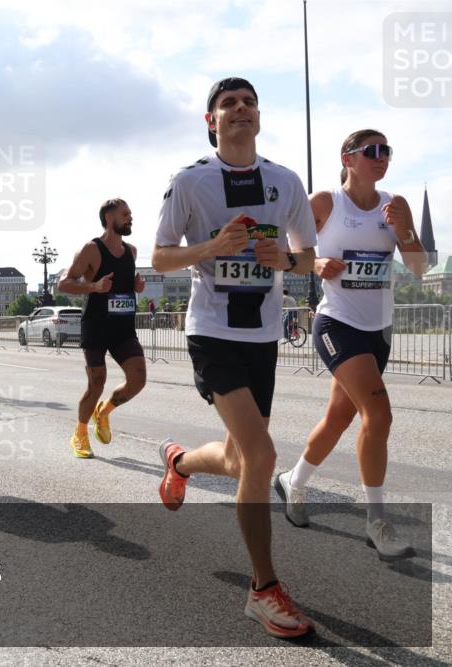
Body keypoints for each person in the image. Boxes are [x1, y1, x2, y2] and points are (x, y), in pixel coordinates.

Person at [152, 77, 317, 638]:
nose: (240, 108)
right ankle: (263, 589)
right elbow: (160, 255)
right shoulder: (190, 181)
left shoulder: (285, 181)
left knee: (241, 459)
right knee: (264, 455)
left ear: (259, 117)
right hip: (212, 332)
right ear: (211, 121)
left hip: (262, 336)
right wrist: (211, 248)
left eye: (249, 102)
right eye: (229, 103)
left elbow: (308, 261)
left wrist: (286, 259)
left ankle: (177, 464)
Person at [276, 129, 426, 560]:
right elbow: (292, 252)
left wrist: (405, 231)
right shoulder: (325, 202)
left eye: (387, 152)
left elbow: (417, 268)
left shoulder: (394, 205)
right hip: (337, 322)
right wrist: (317, 261)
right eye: (372, 151)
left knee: (340, 417)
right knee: (378, 413)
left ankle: (294, 482)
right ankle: (377, 522)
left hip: (379, 330)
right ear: (347, 158)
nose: (382, 158)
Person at [59, 198, 147, 458]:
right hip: (96, 326)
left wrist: (135, 287)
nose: (131, 217)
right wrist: (94, 287)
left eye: (131, 213)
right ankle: (80, 433)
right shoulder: (91, 249)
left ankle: (104, 411)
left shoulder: (131, 251)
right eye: (125, 213)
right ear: (109, 218)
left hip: (123, 327)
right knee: (96, 382)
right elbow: (65, 283)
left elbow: (123, 285)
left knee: (138, 380)